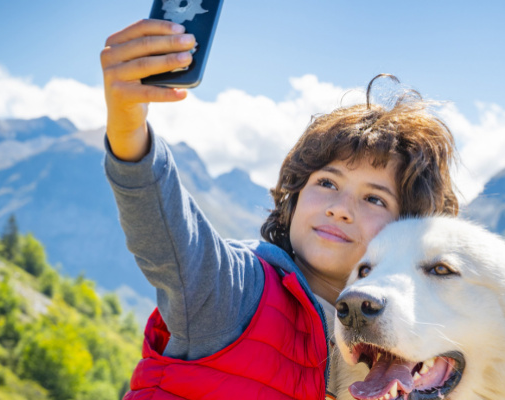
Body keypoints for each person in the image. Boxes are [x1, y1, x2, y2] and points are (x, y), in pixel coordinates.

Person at [101, 19, 459, 400]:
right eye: (327, 183)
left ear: (406, 230)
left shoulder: (403, 355)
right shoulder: (235, 290)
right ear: (296, 193)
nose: (340, 209)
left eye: (374, 198)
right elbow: (167, 237)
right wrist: (127, 130)